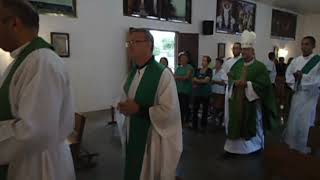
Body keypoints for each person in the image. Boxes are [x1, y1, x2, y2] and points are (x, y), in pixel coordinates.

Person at [0, 0, 75, 180]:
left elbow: (34, 129)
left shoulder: (41, 62)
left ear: (14, 23)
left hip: (40, 165)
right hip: (26, 158)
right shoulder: (22, 61)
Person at [118, 28, 182, 180]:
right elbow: (124, 95)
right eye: (129, 42)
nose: (131, 45)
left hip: (152, 138)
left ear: (150, 45)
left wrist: (139, 110)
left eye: (136, 42)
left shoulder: (163, 74)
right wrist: (121, 106)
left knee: (148, 172)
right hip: (133, 131)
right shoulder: (132, 73)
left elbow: (170, 112)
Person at [224, 30, 277, 155]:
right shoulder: (237, 65)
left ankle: (252, 146)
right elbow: (230, 77)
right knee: (236, 121)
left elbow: (264, 86)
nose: (244, 52)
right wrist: (234, 83)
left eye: (247, 50)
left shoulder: (260, 67)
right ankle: (233, 147)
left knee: (252, 122)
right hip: (237, 101)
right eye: (243, 49)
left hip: (251, 103)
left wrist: (248, 85)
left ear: (253, 51)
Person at [284, 36, 320, 154]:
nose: (304, 47)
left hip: (310, 97)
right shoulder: (296, 60)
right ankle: (292, 145)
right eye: (302, 44)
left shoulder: (317, 61)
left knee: (306, 122)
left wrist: (302, 77)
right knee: (294, 120)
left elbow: (318, 80)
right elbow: (288, 74)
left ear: (313, 46)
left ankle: (305, 147)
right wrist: (295, 82)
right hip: (297, 94)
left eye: (307, 44)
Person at [222, 42, 242, 133]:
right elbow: (224, 75)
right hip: (230, 88)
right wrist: (230, 79)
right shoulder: (228, 62)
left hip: (240, 89)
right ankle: (228, 129)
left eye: (237, 48)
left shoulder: (243, 62)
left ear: (241, 50)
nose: (235, 50)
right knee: (228, 109)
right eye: (234, 48)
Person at [192, 56, 213, 132]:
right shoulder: (197, 70)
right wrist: (200, 81)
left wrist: (197, 81)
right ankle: (194, 125)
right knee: (195, 109)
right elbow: (193, 79)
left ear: (208, 62)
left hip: (205, 93)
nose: (202, 62)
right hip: (197, 93)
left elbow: (206, 81)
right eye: (202, 60)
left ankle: (203, 126)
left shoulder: (209, 70)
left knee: (205, 110)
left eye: (204, 60)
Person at [175, 52, 194, 125]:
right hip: (178, 89)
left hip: (186, 90)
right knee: (179, 107)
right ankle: (180, 121)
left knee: (185, 106)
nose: (182, 59)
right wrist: (179, 78)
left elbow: (186, 77)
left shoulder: (189, 67)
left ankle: (186, 121)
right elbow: (174, 76)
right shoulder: (178, 67)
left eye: (184, 58)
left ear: (187, 59)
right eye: (181, 58)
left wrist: (177, 77)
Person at [211, 58, 227, 127]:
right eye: (216, 62)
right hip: (213, 91)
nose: (216, 64)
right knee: (213, 107)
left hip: (220, 92)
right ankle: (215, 121)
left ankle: (217, 122)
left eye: (218, 63)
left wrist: (215, 82)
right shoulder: (213, 71)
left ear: (221, 64)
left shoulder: (223, 72)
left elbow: (223, 83)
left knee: (218, 108)